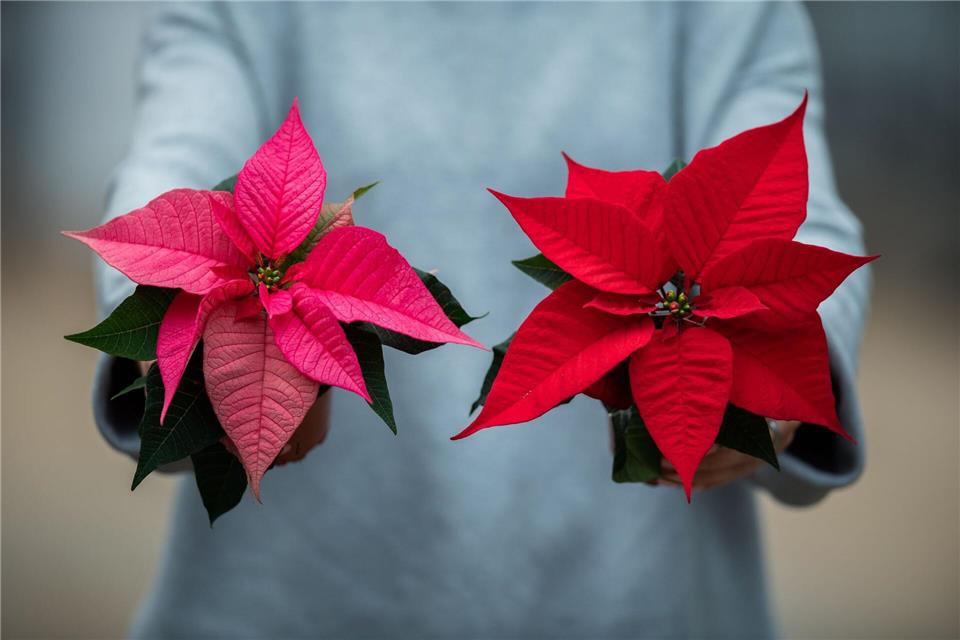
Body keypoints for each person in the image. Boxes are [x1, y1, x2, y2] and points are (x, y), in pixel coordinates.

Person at [92, 3, 871, 638]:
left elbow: (791, 220)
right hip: (286, 600)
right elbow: (176, 158)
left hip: (635, 596)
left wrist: (764, 386)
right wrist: (187, 349)